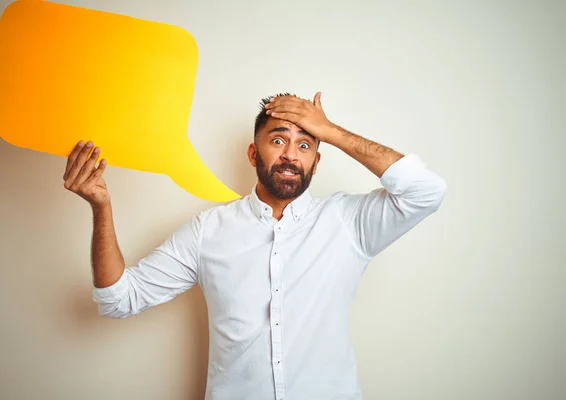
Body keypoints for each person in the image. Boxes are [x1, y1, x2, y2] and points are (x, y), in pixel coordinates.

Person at [63, 92, 447, 400]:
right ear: (253, 153)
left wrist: (330, 130)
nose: (290, 156)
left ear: (317, 161)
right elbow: (118, 299)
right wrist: (102, 206)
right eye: (278, 140)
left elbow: (426, 192)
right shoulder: (207, 231)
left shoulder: (348, 223)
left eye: (305, 145)